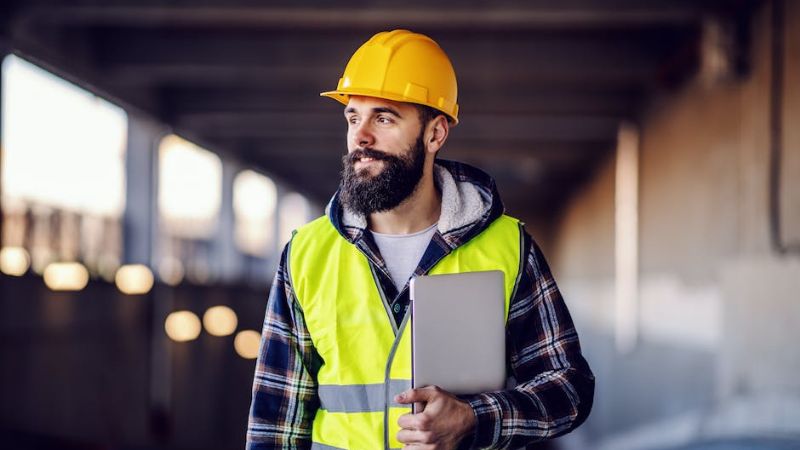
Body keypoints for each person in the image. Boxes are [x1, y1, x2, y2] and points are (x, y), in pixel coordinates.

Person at [246, 29, 594, 450]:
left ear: (435, 134)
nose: (361, 137)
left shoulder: (508, 247)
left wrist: (474, 419)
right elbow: (274, 424)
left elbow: (569, 388)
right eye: (353, 117)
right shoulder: (306, 253)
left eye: (384, 117)